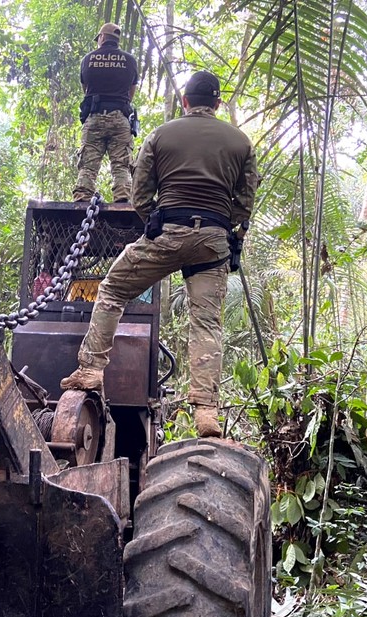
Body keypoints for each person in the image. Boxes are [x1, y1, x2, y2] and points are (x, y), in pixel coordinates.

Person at [60, 70, 259, 438]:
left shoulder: (160, 135)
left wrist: (156, 220)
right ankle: (205, 412)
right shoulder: (241, 142)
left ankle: (90, 370)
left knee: (114, 289)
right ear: (216, 104)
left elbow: (139, 195)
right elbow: (245, 205)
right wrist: (224, 229)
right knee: (207, 322)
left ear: (185, 101)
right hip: (213, 243)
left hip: (167, 232)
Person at [73, 22, 139, 204]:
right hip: (120, 117)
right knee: (121, 165)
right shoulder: (130, 60)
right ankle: (123, 197)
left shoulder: (88, 59)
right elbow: (130, 93)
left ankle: (82, 197)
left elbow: (86, 89)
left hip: (94, 116)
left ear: (102, 38)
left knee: (88, 165)